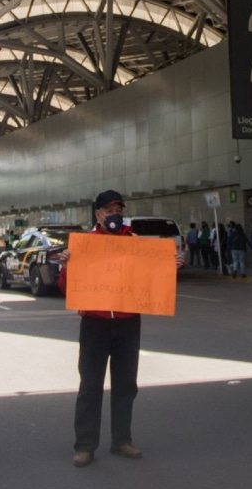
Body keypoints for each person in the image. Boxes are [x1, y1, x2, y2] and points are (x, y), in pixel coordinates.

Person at [56, 190, 184, 467]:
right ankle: (85, 445)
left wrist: (168, 266)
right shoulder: (85, 244)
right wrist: (67, 267)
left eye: (119, 210)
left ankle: (121, 440)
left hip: (127, 323)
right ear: (98, 214)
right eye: (110, 211)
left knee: (126, 385)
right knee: (90, 385)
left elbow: (151, 278)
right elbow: (67, 289)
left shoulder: (134, 242)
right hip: (94, 324)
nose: (115, 215)